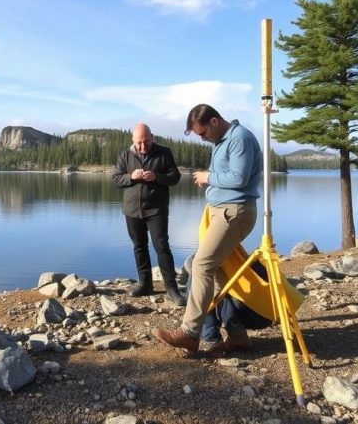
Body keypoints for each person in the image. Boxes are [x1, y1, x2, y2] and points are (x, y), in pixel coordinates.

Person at [153, 104, 262, 352]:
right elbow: (228, 174)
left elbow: (239, 178)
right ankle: (236, 334)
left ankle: (190, 333)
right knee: (219, 272)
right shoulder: (221, 141)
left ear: (214, 121)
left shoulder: (240, 138)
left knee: (201, 265)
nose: (202, 139)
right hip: (222, 211)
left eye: (203, 133)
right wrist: (211, 182)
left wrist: (208, 177)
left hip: (235, 213)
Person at [111, 123, 185, 305]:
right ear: (133, 140)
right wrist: (131, 177)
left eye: (147, 141)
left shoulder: (164, 153)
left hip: (156, 210)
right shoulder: (125, 155)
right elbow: (116, 179)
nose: (143, 146)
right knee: (139, 246)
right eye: (139, 143)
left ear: (152, 137)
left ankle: (172, 289)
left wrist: (157, 177)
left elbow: (175, 177)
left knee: (162, 246)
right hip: (132, 210)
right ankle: (145, 284)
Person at [182, 253, 272, 356]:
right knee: (212, 284)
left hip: (253, 314)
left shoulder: (215, 261)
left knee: (202, 284)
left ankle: (208, 340)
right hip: (272, 314)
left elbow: (208, 296)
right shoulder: (239, 257)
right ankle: (237, 336)